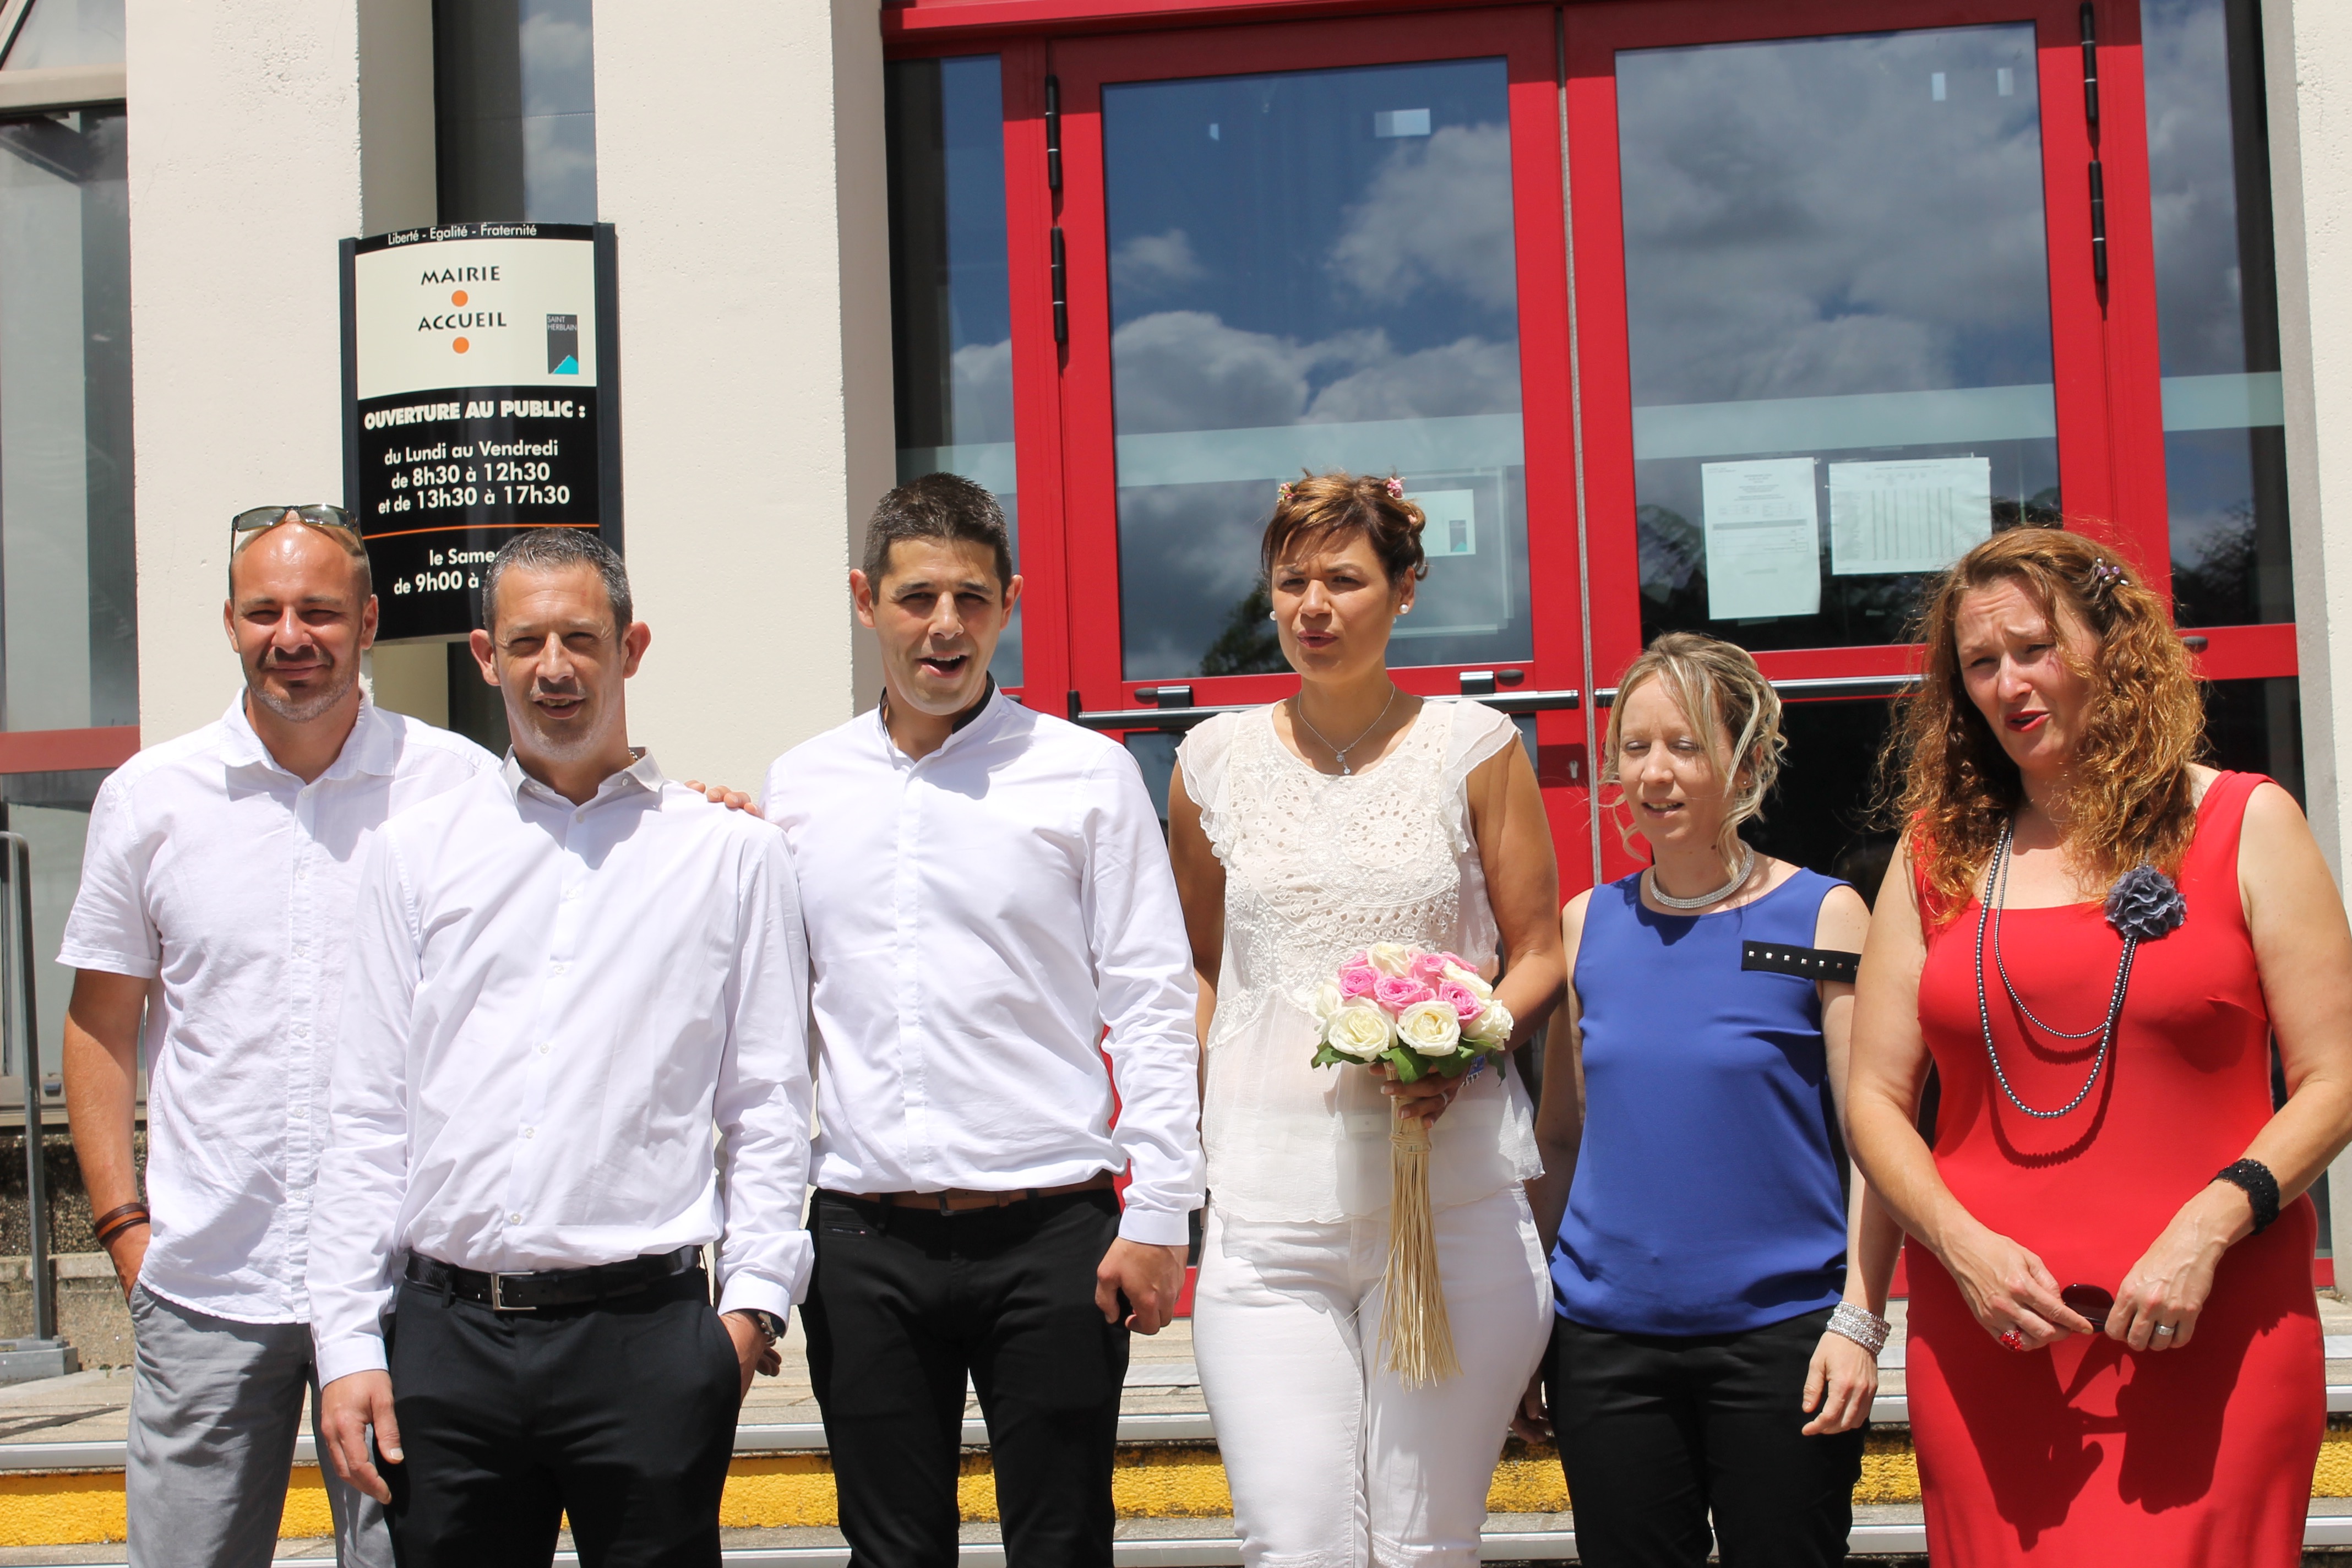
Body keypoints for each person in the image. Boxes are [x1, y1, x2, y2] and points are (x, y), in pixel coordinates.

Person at [1845, 527, 2352, 1565]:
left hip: (2216, 1328)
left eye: (2034, 648)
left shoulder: (2246, 821)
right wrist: (1959, 1247)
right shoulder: (1935, 855)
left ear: (2112, 646)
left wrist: (2208, 1227)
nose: (2009, 684)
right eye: (1980, 663)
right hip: (1990, 1334)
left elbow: (2335, 1081)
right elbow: (1875, 1101)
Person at [309, 529, 812, 1567]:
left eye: (581, 638)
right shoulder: (414, 854)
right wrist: (349, 1343)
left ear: (631, 648)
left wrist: (752, 1311)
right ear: (484, 656)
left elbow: (767, 1103)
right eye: (526, 641)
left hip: (648, 1342)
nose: (554, 668)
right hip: (448, 1345)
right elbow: (365, 1115)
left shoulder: (732, 854)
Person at [763, 472, 1202, 1568]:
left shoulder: (1088, 775)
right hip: (864, 1238)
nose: (945, 625)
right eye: (916, 597)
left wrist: (1161, 1210)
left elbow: (1152, 999)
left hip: (1052, 1235)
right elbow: (768, 1034)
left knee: (1062, 1543)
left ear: (1010, 601)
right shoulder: (800, 787)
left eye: (971, 596)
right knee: (890, 1553)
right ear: (865, 600)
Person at [57, 505, 495, 1568]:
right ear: (230, 623)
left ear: (369, 623)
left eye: (320, 612)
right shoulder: (150, 798)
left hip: (400, 1285)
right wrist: (126, 1232)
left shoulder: (460, 788)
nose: (291, 636)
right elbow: (102, 1023)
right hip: (207, 1281)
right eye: (265, 612)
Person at [1165, 472, 1564, 1568]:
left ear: (1405, 590)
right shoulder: (1209, 763)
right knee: (1293, 1543)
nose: (1313, 606)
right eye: (1291, 581)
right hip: (1265, 1214)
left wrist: (1465, 1046)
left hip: (1450, 1208)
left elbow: (1537, 950)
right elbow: (1203, 967)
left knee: (1425, 1543)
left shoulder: (1475, 745)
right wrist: (1187, 1136)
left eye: (1344, 579)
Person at [1523, 632, 1902, 1567]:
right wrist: (1528, 1330)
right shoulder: (1587, 924)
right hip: (1606, 1346)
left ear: (1748, 758)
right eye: (1636, 747)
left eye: (1686, 745)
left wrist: (1860, 1319)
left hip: (1784, 1341)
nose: (1655, 772)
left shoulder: (1824, 915)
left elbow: (1876, 1138)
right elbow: (1560, 1139)